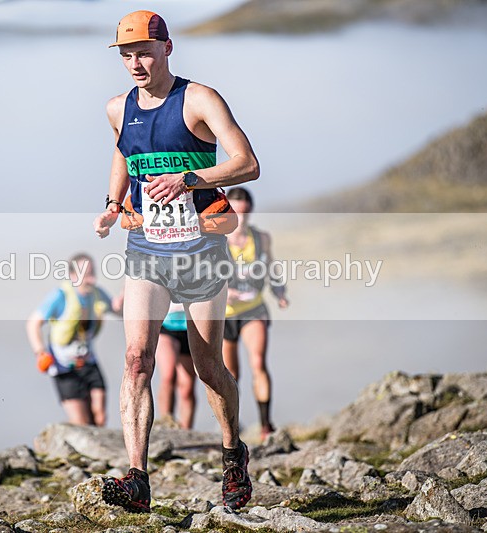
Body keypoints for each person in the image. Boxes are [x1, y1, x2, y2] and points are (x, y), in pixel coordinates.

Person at [93, 10, 260, 512]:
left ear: (168, 48)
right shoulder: (117, 108)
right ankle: (137, 480)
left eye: (144, 52)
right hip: (146, 252)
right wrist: (111, 205)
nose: (136, 63)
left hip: (202, 252)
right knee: (135, 359)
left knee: (208, 367)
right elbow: (124, 153)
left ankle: (232, 455)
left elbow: (247, 164)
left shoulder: (200, 99)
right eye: (127, 55)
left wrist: (189, 179)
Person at [222, 187, 289, 442]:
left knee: (258, 362)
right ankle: (232, 429)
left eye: (245, 212)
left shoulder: (261, 239)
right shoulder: (217, 238)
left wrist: (280, 291)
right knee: (230, 375)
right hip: (225, 314)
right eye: (235, 212)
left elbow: (271, 268)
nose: (240, 218)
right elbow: (202, 274)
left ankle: (265, 425)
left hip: (254, 308)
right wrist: (223, 292)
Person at [26, 253, 121, 427]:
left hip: (89, 362)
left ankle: (101, 450)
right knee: (81, 423)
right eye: (85, 273)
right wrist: (40, 352)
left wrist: (126, 300)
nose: (90, 278)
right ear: (73, 275)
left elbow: (118, 311)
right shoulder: (60, 296)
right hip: (64, 366)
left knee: (99, 416)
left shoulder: (98, 294)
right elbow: (33, 324)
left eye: (92, 272)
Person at [155, 303, 196, 430]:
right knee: (168, 375)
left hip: (191, 325)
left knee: (187, 388)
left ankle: (185, 433)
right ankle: (166, 422)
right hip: (166, 325)